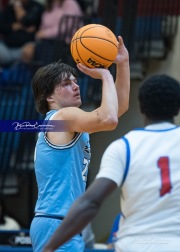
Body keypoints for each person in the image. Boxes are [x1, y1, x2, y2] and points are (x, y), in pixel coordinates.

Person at [42, 74, 180, 252]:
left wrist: (49, 248)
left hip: (134, 245)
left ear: (141, 108)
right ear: (177, 108)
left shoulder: (124, 146)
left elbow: (90, 203)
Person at [30, 35, 130, 252]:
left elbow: (117, 109)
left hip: (61, 221)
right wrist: (104, 74)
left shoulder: (66, 121)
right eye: (66, 84)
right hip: (57, 221)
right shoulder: (63, 117)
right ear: (49, 97)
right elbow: (110, 119)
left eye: (75, 81)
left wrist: (122, 64)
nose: (76, 86)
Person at [0, 0, 43, 66]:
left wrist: (18, 7)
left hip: (26, 46)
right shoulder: (10, 8)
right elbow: (2, 27)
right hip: (7, 47)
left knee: (29, 51)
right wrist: (12, 27)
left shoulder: (36, 7)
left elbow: (27, 21)